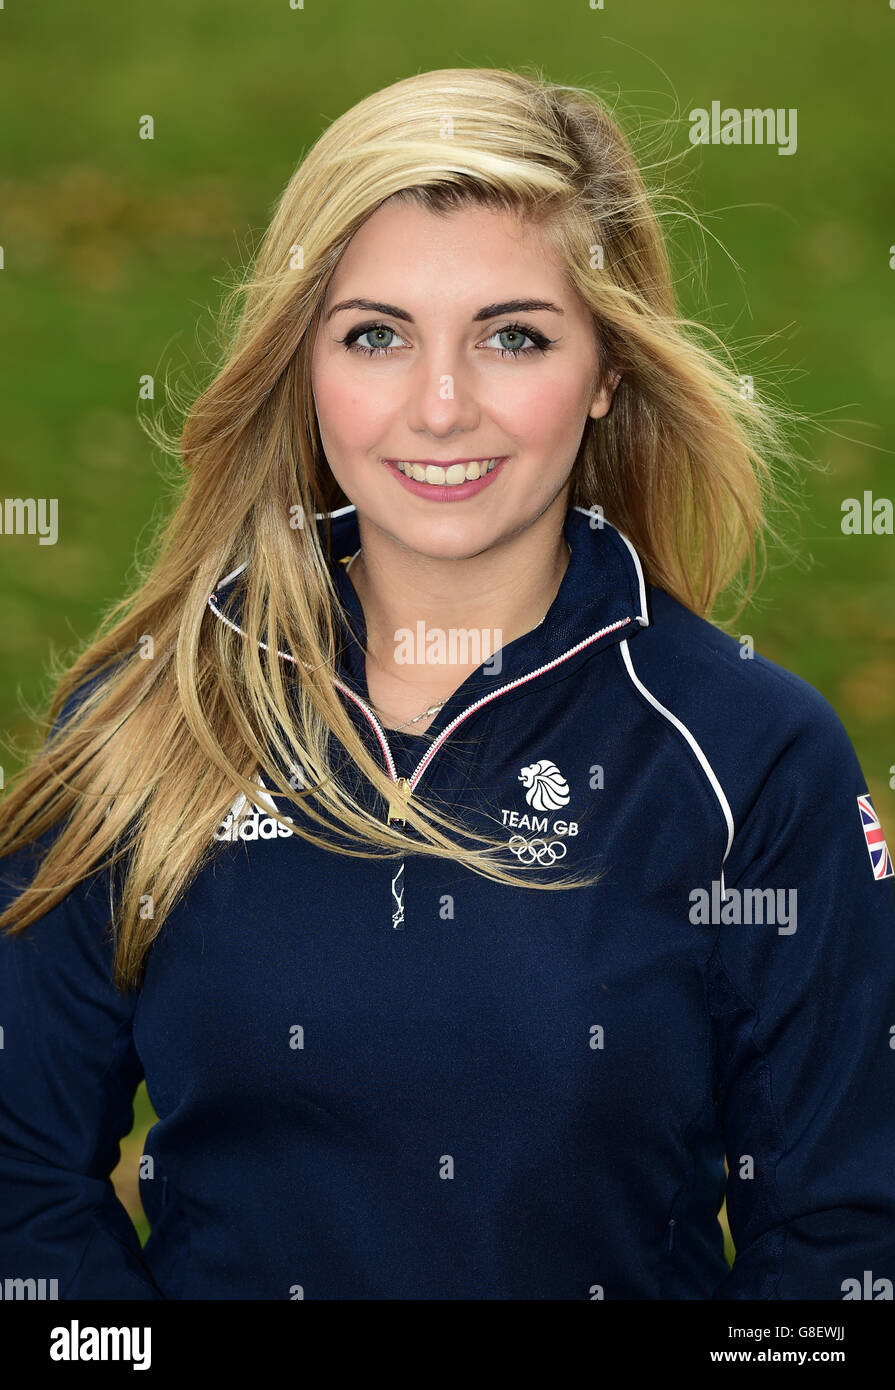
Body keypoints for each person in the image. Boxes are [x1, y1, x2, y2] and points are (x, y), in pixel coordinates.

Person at [1, 66, 894, 1302]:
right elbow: (23, 1188)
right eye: (375, 334)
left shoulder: (752, 758)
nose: (438, 406)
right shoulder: (155, 716)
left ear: (606, 372)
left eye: (512, 336)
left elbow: (839, 1244)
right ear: (300, 366)